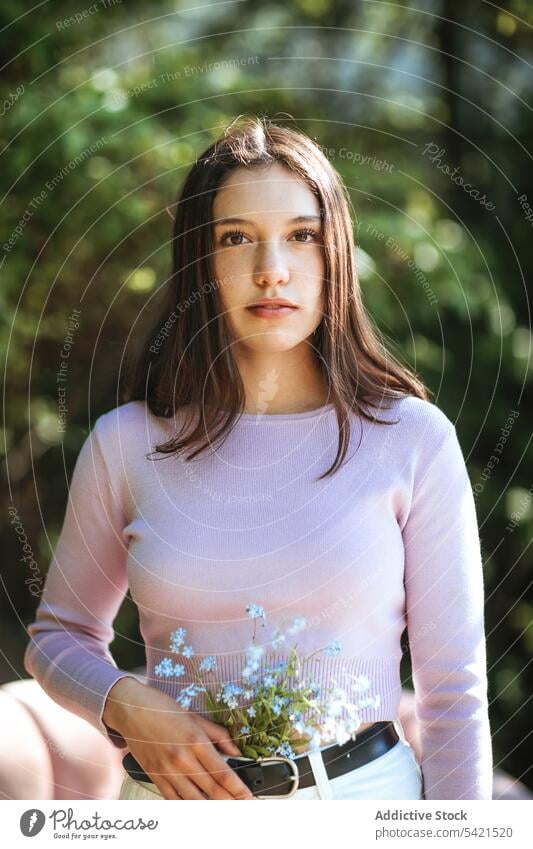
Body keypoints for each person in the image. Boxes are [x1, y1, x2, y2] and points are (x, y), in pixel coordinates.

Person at [24, 116, 493, 801]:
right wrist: (125, 701)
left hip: (364, 805)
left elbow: (453, 691)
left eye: (301, 236)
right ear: (199, 262)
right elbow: (58, 637)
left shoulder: (412, 439)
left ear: (334, 255)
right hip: (176, 812)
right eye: (235, 238)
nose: (271, 269)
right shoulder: (126, 444)